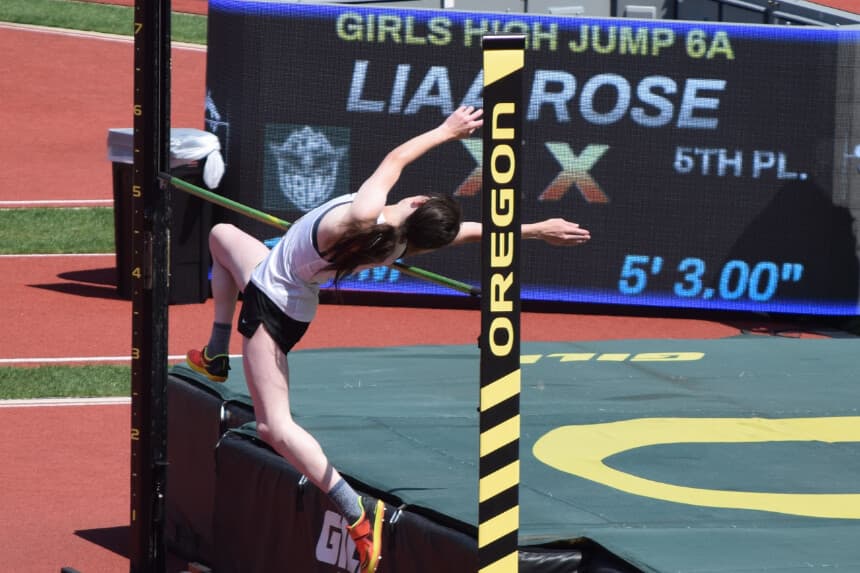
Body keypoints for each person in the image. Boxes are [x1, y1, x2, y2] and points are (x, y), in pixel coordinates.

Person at [186, 105, 591, 573]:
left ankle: (352, 511)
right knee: (222, 234)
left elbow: (396, 159)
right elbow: (467, 234)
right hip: (275, 278)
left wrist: (446, 131)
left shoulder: (366, 215)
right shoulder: (400, 244)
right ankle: (216, 352)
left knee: (272, 428)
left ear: (416, 203)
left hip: (272, 307)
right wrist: (535, 230)